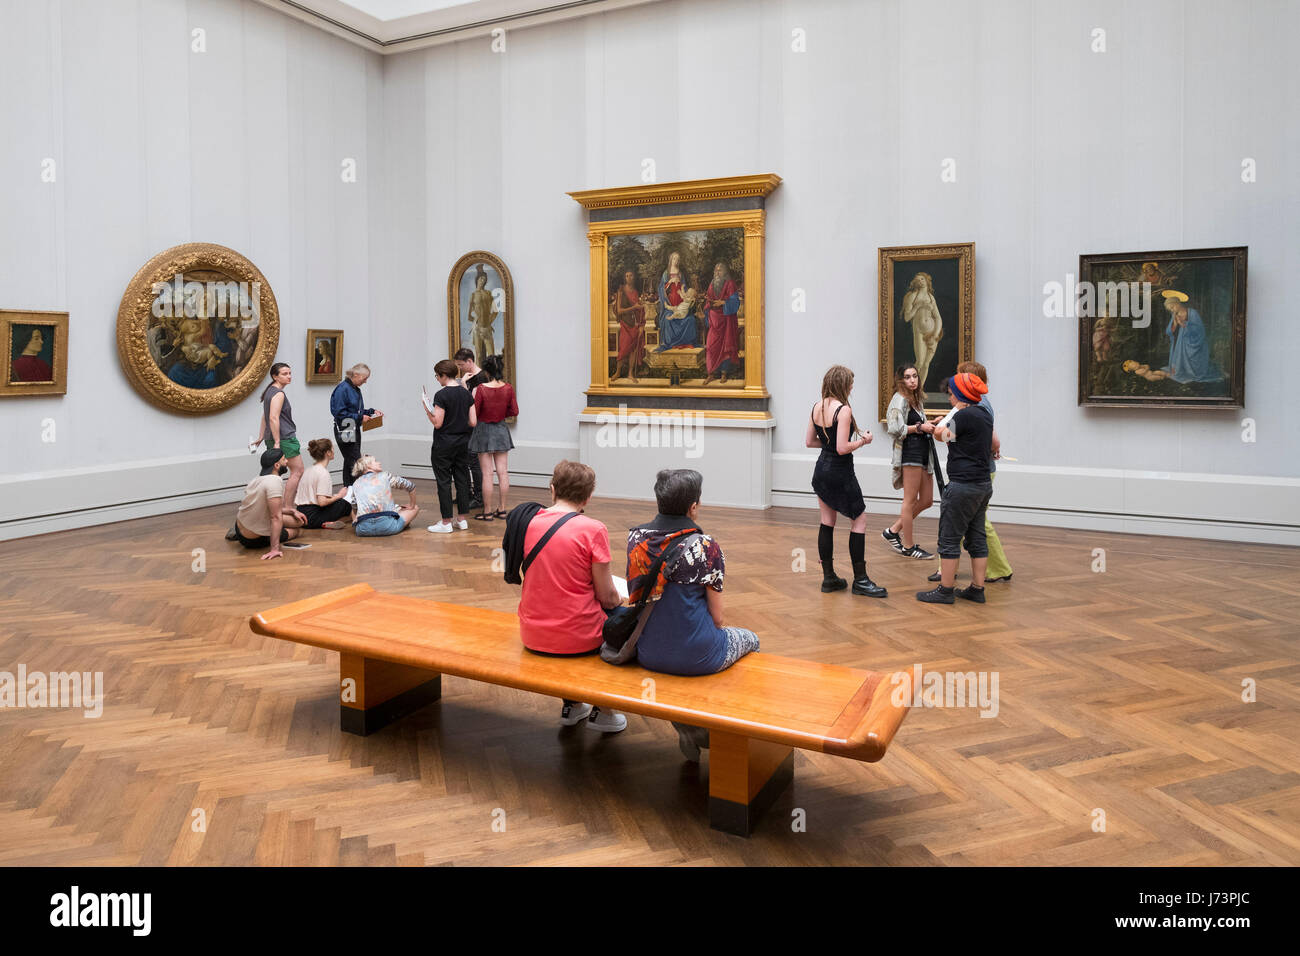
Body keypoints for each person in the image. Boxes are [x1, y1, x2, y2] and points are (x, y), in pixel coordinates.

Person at [626, 469, 759, 760]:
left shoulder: (636, 538)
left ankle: (689, 731)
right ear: (693, 507)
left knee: (675, 662)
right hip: (698, 655)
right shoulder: (705, 546)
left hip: (648, 651)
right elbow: (718, 619)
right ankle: (731, 735)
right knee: (752, 640)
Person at [517, 461, 626, 733]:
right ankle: (604, 710)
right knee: (627, 625)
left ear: (552, 490)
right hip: (576, 636)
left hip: (531, 632)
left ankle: (573, 705)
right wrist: (620, 599)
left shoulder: (527, 522)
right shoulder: (593, 529)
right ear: (588, 497)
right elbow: (606, 596)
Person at [805, 365, 887, 598]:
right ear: (843, 384)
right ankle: (861, 580)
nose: (852, 387)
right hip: (840, 472)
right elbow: (842, 448)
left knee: (827, 521)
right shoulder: (843, 410)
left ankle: (829, 578)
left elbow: (810, 442)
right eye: (850, 383)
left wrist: (831, 446)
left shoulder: (817, 406)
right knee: (859, 520)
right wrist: (864, 441)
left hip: (821, 470)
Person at [917, 371, 996, 604]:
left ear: (961, 394)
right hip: (982, 484)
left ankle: (945, 590)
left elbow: (943, 436)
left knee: (949, 539)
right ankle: (976, 588)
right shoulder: (983, 413)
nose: (950, 397)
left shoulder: (964, 415)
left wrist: (940, 427)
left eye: (952, 393)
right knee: (977, 537)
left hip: (963, 486)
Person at [883, 364, 936, 560]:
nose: (912, 380)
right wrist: (920, 427)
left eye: (915, 376)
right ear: (901, 380)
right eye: (907, 377)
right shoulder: (899, 399)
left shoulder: (916, 400)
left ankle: (893, 530)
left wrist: (929, 425)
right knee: (910, 500)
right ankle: (908, 546)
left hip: (923, 453)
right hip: (910, 453)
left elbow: (917, 425)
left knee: (927, 500)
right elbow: (895, 428)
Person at [425, 359, 474, 533]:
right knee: (462, 480)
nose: (437, 379)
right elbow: (473, 421)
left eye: (437, 376)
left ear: (444, 375)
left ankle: (446, 522)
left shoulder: (441, 395)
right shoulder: (466, 393)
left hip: (444, 444)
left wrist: (427, 408)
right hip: (463, 443)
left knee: (444, 482)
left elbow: (437, 423)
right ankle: (462, 520)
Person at [233, 447, 306, 560]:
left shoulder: (256, 479)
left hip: (240, 527)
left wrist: (291, 510)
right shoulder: (274, 481)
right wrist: (274, 549)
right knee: (296, 530)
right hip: (252, 538)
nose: (287, 461)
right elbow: (275, 516)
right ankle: (274, 535)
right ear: (277, 465)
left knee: (297, 520)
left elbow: (266, 507)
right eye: (284, 459)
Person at [469, 354, 517, 520]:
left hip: (483, 431)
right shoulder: (508, 388)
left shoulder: (481, 388)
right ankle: (502, 509)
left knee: (487, 474)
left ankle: (487, 512)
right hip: (502, 430)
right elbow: (514, 411)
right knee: (503, 473)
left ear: (486, 371)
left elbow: (475, 411)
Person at [254, 363, 304, 509]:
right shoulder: (278, 393)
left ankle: (274, 507)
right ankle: (286, 507)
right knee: (298, 471)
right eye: (284, 374)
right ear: (275, 376)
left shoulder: (270, 391)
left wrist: (261, 436)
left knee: (275, 473)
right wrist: (277, 442)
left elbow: (266, 416)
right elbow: (273, 418)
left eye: (289, 373)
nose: (289, 376)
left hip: (274, 438)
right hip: (284, 438)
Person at [329, 363, 381, 487]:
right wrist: (360, 417)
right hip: (345, 429)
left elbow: (355, 411)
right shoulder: (342, 389)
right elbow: (339, 413)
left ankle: (349, 490)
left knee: (350, 461)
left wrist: (371, 412)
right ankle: (358, 490)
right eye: (365, 378)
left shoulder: (355, 389)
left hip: (353, 428)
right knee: (355, 461)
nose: (366, 381)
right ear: (356, 375)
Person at [1161, 290, 1223, 383]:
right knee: (1176, 369)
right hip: (1178, 343)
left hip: (1192, 343)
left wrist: (1183, 324)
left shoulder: (1192, 313)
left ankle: (1192, 371)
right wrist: (1174, 323)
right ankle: (1179, 369)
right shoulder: (1175, 315)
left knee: (1195, 369)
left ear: (1178, 303)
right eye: (1170, 309)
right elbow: (1169, 331)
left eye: (1172, 307)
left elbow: (1200, 330)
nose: (1172, 310)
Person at [350, 455, 420, 536]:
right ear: (368, 465)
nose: (379, 463)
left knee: (354, 509)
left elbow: (354, 506)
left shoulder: (356, 483)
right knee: (415, 508)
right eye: (375, 461)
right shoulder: (385, 476)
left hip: (363, 530)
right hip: (388, 527)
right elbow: (411, 486)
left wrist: (355, 519)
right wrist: (412, 505)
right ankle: (402, 524)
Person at [455, 347, 488, 510]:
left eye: (461, 364)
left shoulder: (481, 378)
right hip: (467, 424)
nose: (460, 368)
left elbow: (472, 402)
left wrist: (462, 385)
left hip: (477, 424)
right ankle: (465, 493)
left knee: (474, 462)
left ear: (470, 361)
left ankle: (479, 497)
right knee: (465, 459)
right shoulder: (469, 377)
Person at [295, 439, 353, 529]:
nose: (334, 451)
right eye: (333, 449)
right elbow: (322, 502)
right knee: (346, 503)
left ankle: (328, 523)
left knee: (337, 501)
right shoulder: (323, 473)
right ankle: (329, 522)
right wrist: (339, 495)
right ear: (328, 453)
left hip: (301, 514)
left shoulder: (308, 469)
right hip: (313, 517)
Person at [902, 272, 943, 393]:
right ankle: (909, 389)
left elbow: (938, 317)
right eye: (917, 280)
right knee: (919, 362)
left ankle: (919, 390)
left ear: (926, 281)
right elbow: (907, 317)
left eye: (922, 279)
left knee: (926, 363)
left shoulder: (931, 297)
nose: (920, 281)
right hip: (919, 332)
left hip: (932, 333)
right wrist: (917, 306)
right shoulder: (913, 296)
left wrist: (935, 334)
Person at [702, 261, 740, 384]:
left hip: (726, 320)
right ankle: (711, 373)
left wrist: (723, 303)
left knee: (725, 348)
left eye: (720, 270)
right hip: (714, 320)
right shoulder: (712, 284)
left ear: (725, 272)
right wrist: (709, 304)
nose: (717, 272)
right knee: (711, 346)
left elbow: (735, 302)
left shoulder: (730, 284)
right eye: (716, 270)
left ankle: (724, 374)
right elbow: (708, 299)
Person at [613, 271, 646, 382]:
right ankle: (617, 372)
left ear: (634, 277)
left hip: (635, 325)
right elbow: (619, 310)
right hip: (625, 324)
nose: (629, 277)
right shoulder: (621, 292)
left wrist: (640, 306)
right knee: (623, 348)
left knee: (633, 350)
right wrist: (634, 307)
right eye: (626, 276)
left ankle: (630, 374)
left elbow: (638, 310)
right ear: (624, 278)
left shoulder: (636, 292)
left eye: (631, 275)